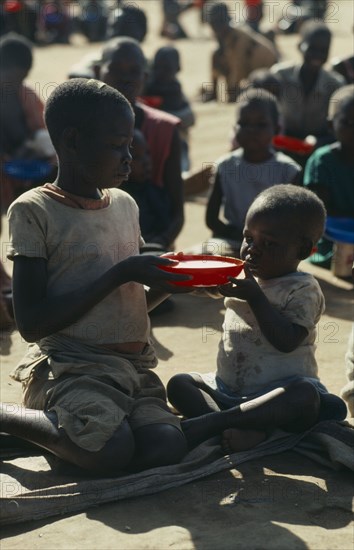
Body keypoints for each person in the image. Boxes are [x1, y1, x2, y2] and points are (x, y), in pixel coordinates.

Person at [168, 185, 347, 453]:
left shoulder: (302, 289)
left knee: (305, 399)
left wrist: (256, 297)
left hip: (278, 394)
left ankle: (217, 424)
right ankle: (233, 425)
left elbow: (286, 341)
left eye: (269, 244)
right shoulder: (244, 276)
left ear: (304, 250)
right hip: (227, 390)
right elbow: (210, 290)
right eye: (248, 238)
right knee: (180, 384)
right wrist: (191, 279)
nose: (252, 250)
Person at [95, 37, 184, 250]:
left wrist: (158, 243)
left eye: (134, 71)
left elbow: (177, 213)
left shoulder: (165, 129)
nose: (125, 78)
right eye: (116, 69)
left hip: (152, 242)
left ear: (145, 77)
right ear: (99, 71)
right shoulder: (84, 128)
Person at [205, 90, 301, 256]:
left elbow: (294, 222)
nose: (251, 130)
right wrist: (242, 236)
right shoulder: (224, 166)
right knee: (213, 253)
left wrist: (263, 240)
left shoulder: (289, 171)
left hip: (273, 245)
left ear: (277, 129)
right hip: (233, 239)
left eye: (261, 124)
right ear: (235, 128)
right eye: (244, 123)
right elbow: (212, 219)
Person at [0, 32, 56, 213]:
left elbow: (42, 132)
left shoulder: (26, 96)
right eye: (13, 77)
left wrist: (35, 150)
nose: (18, 83)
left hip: (26, 167)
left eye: (22, 79)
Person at [270, 20, 345, 147]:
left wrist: (320, 141)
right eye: (312, 48)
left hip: (318, 146)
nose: (318, 55)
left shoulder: (335, 84)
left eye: (323, 50)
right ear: (299, 46)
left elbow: (340, 129)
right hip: (281, 144)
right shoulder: (280, 75)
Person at [303, 85, 354, 267]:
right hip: (332, 238)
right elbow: (320, 211)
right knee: (339, 260)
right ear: (332, 125)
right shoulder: (322, 161)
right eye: (348, 123)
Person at [203, 2, 278, 102]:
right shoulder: (225, 37)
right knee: (216, 55)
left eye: (218, 22)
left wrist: (232, 90)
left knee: (240, 94)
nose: (215, 27)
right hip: (252, 72)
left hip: (267, 75)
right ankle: (213, 93)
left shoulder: (237, 38)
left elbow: (238, 66)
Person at [143, 46, 195, 172]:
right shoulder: (146, 86)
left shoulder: (174, 89)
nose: (161, 72)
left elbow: (188, 118)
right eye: (157, 67)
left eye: (167, 68)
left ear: (177, 68)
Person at [120, 129, 171, 251]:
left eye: (147, 153)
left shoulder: (155, 192)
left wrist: (162, 239)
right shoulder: (121, 199)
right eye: (137, 157)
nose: (146, 162)